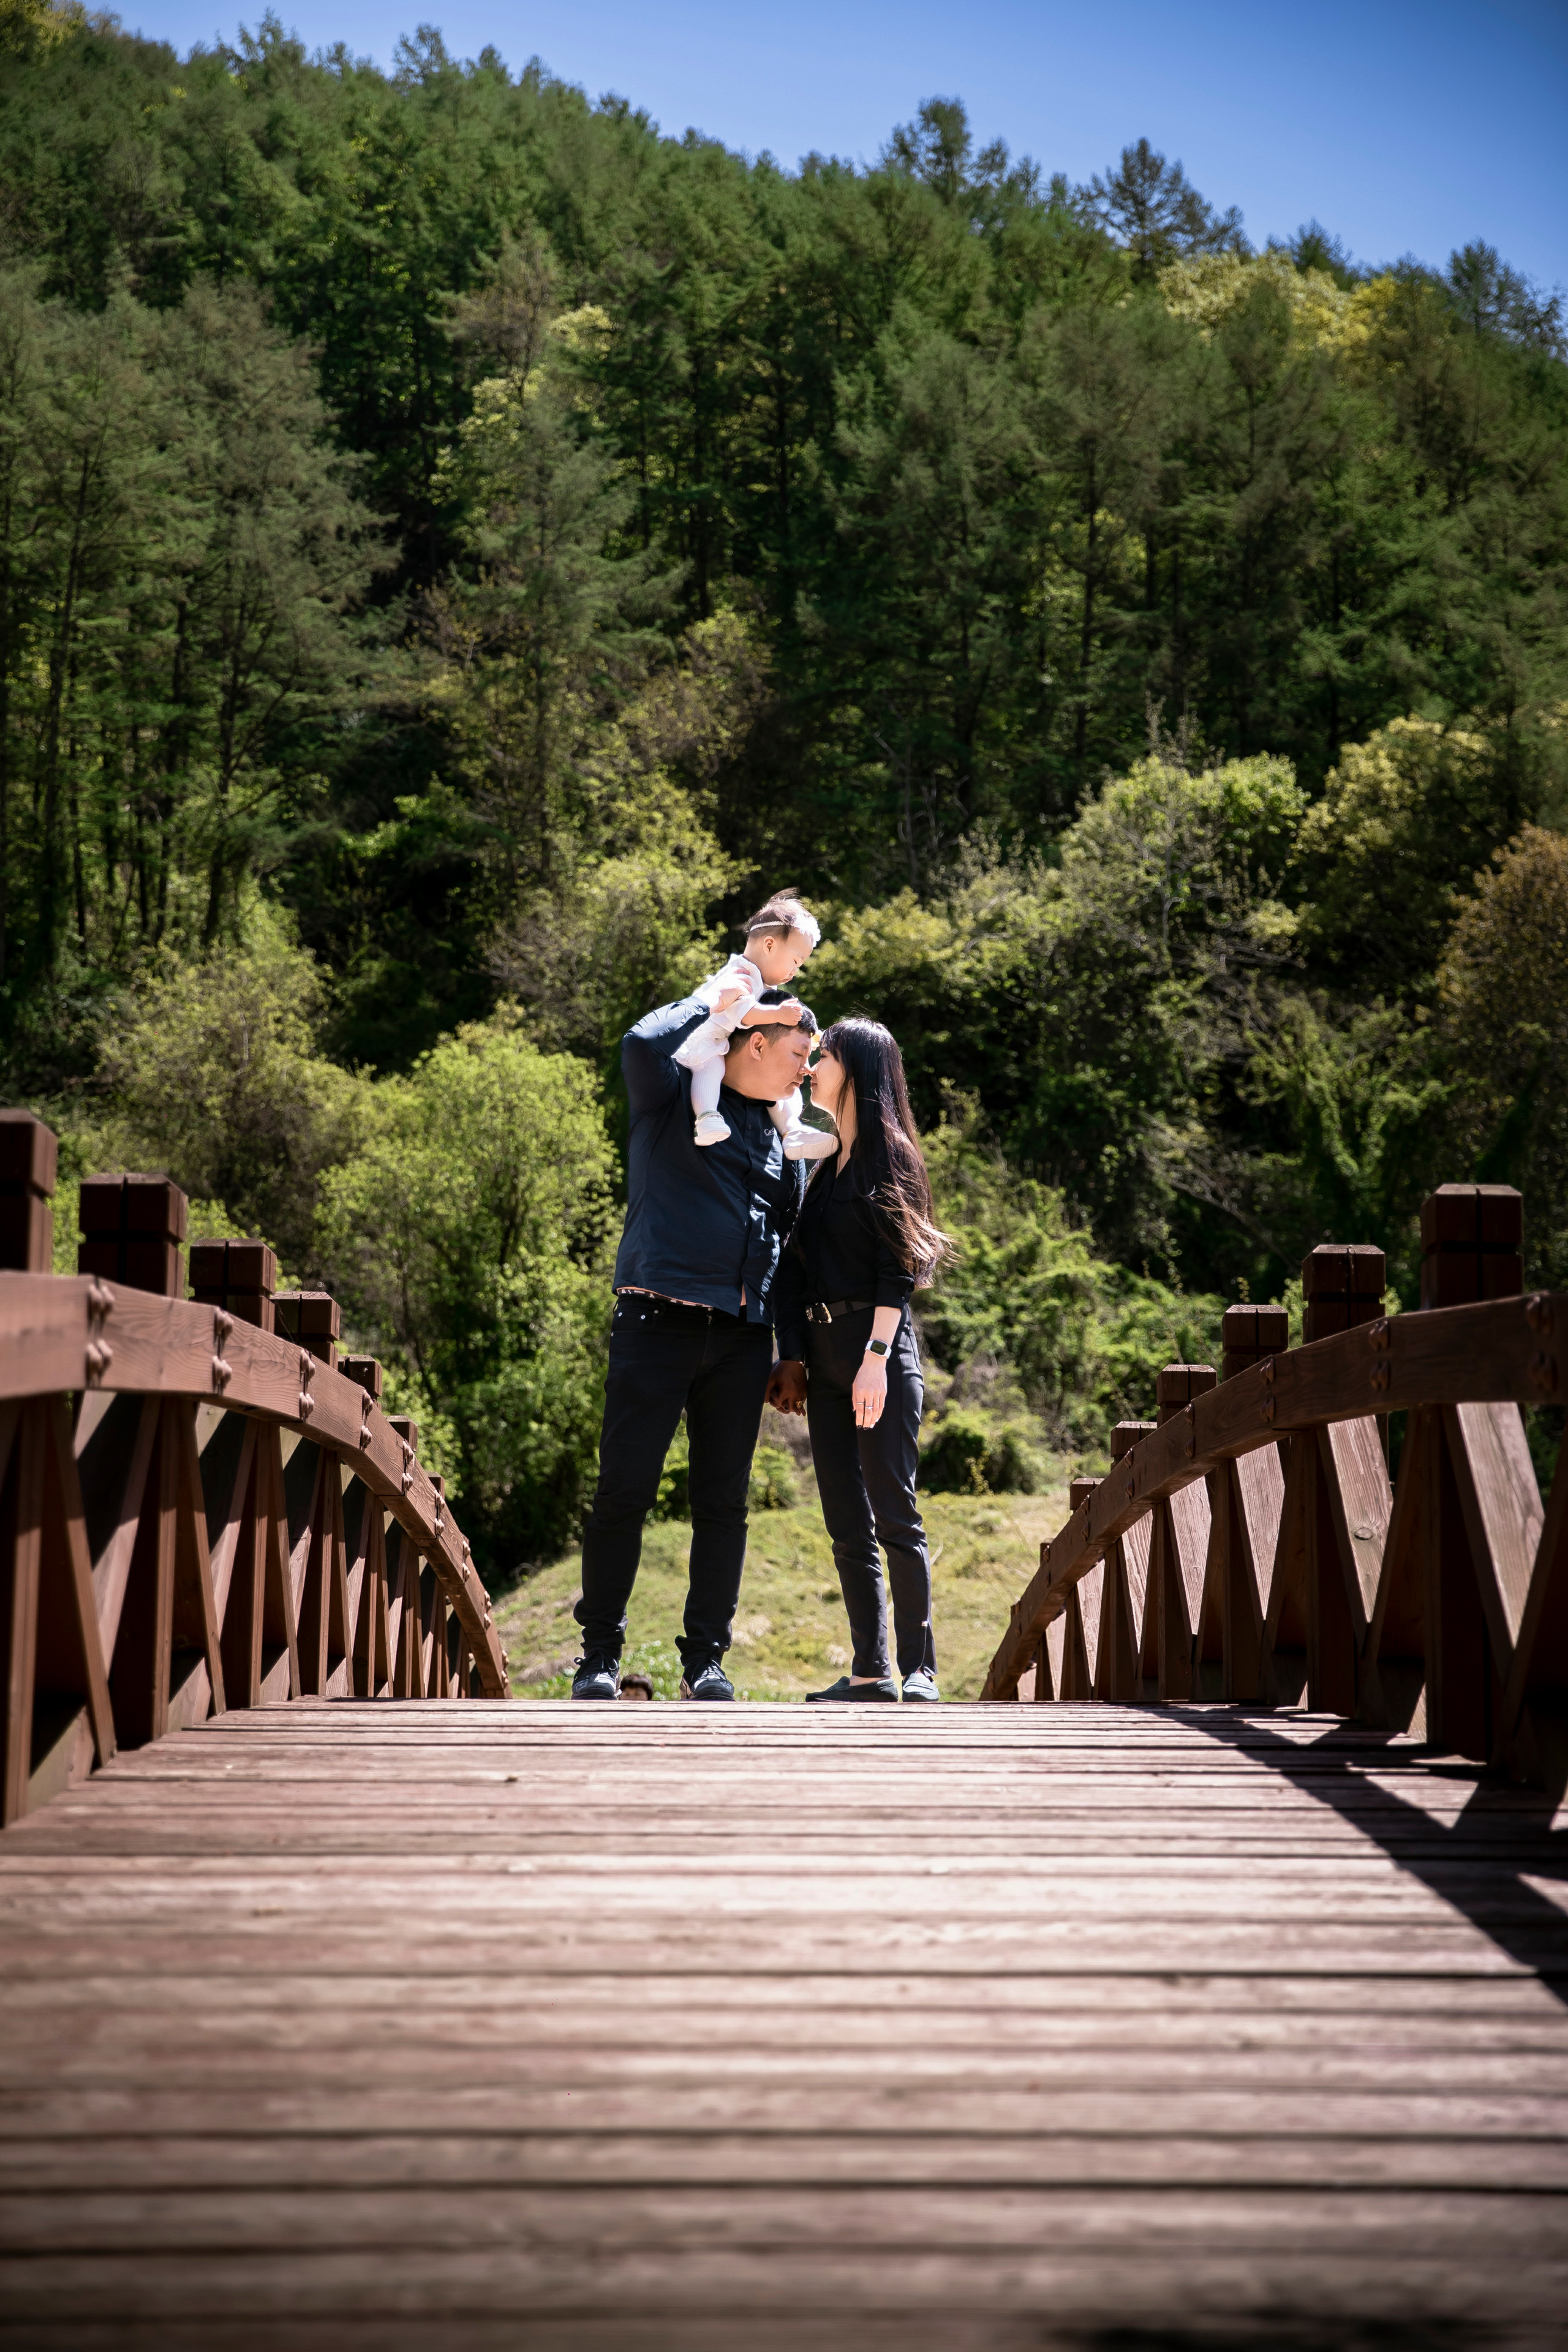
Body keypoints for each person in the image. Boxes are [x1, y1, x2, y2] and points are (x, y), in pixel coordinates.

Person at [572, 984, 820, 1703]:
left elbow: (790, 1254)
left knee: (722, 1506)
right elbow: (638, 1042)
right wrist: (733, 993)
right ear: (757, 1043)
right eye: (797, 1053)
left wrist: (792, 1352)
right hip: (656, 1324)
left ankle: (704, 1662)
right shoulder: (674, 1094)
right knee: (624, 1492)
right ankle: (598, 1658)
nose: (806, 1071)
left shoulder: (787, 1141)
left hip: (743, 1341)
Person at [769, 1019, 954, 1703]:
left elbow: (897, 1270)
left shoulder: (890, 1157)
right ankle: (870, 1672)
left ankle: (920, 1669)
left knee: (894, 1515)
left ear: (858, 1071)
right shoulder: (824, 1167)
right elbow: (792, 1273)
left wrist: (876, 1359)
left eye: (825, 1056)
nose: (813, 1065)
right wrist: (793, 1356)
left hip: (878, 1356)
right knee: (847, 1526)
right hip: (823, 1363)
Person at [674, 892, 835, 1161]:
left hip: (722, 1040)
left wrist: (807, 1037)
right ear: (769, 945)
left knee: (781, 1085)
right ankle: (706, 1117)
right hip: (704, 1040)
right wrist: (778, 1013)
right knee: (711, 1068)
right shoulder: (740, 974)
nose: (796, 971)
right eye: (796, 961)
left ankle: (792, 1130)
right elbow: (744, 1013)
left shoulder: (765, 983)